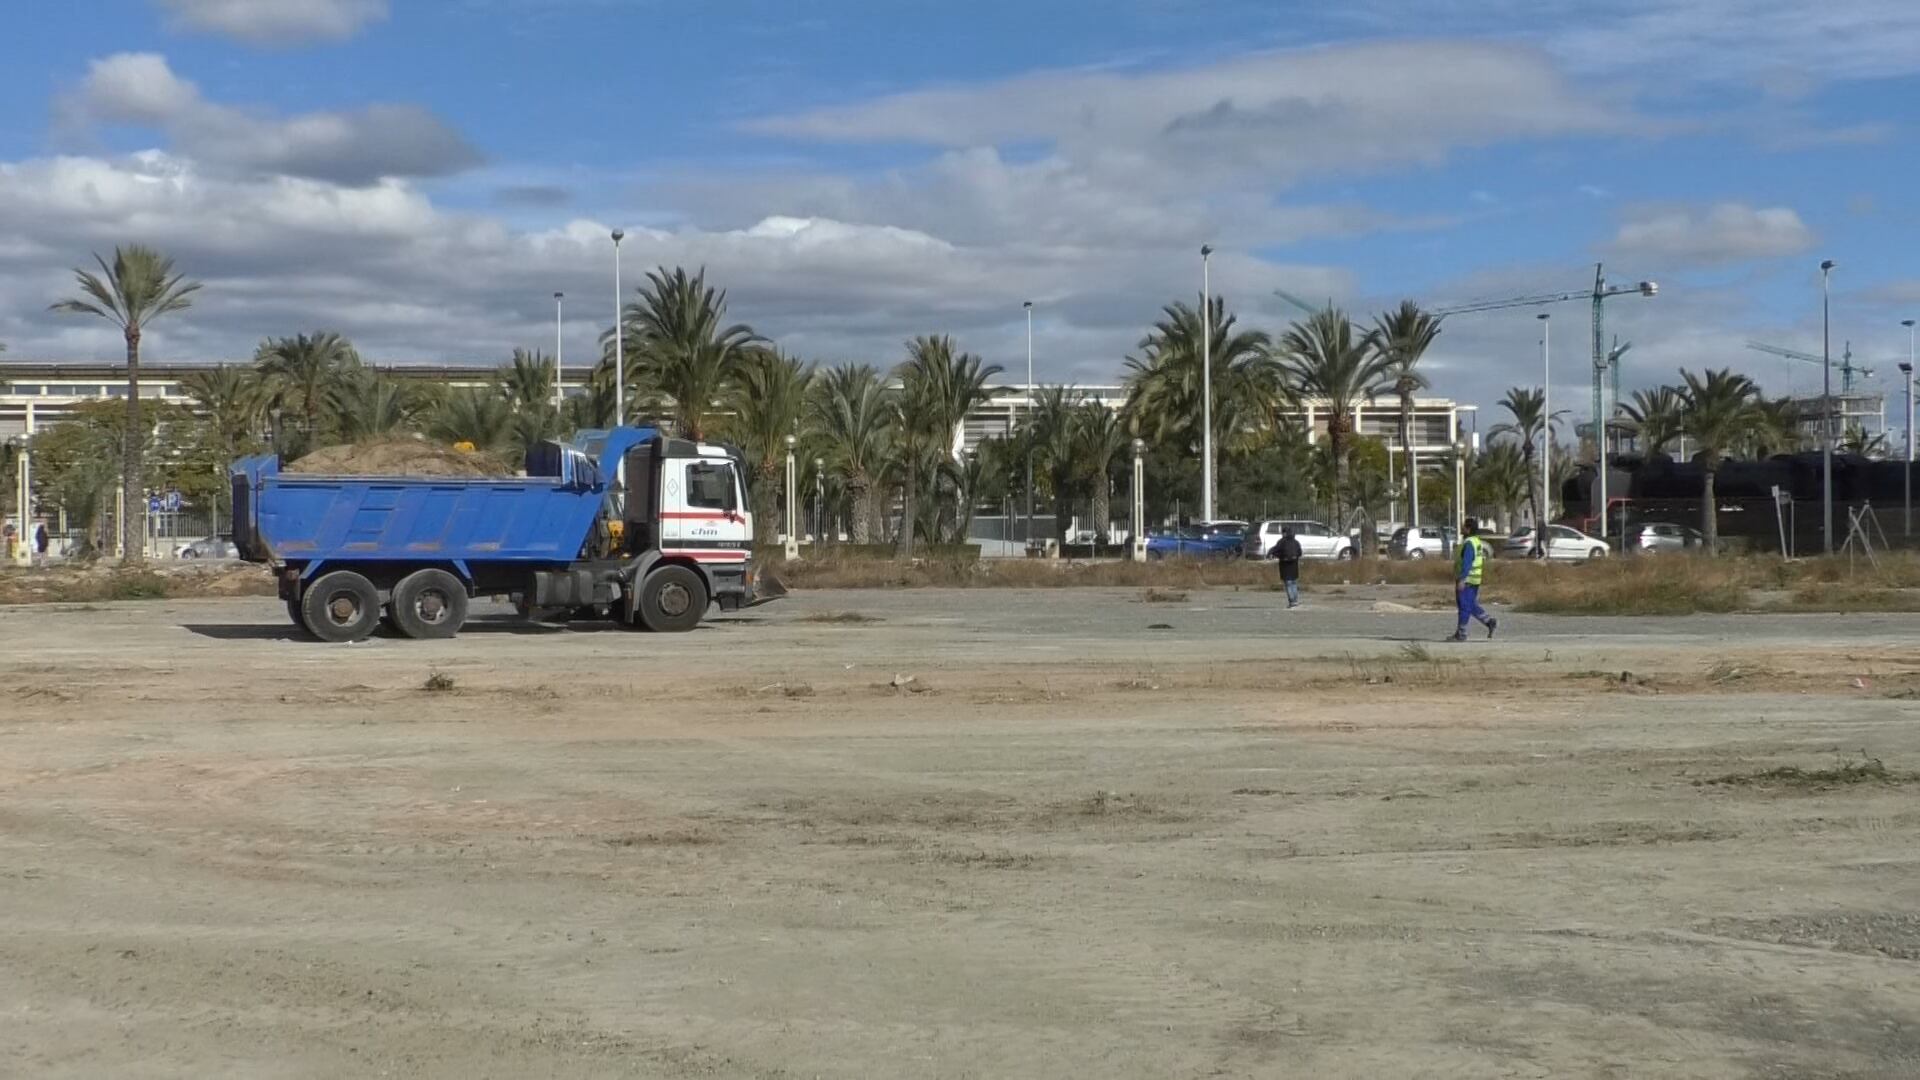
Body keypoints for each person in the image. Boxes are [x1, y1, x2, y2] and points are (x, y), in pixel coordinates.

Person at [1451, 517, 1498, 642]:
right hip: (1474, 579)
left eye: (1463, 526)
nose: (1461, 528)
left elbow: (1467, 562)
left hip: (1468, 580)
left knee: (1464, 606)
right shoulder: (1476, 541)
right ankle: (1489, 621)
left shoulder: (1469, 544)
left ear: (1468, 528)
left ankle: (1462, 633)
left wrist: (1462, 579)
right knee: (1470, 605)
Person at [1270, 525, 1303, 609]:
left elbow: (1275, 550)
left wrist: (1278, 556)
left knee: (1288, 583)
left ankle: (1292, 601)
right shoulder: (1296, 542)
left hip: (1285, 565)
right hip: (1294, 565)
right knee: (1294, 583)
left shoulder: (1282, 542)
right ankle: (1295, 600)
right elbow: (1300, 552)